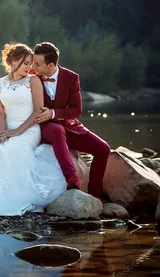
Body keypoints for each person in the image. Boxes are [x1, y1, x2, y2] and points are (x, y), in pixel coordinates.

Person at [0, 43, 66, 215]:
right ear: (13, 62)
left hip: (29, 129)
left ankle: (12, 200)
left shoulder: (33, 81)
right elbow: (0, 112)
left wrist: (17, 132)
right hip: (7, 128)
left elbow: (38, 111)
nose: (29, 67)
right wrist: (2, 132)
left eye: (31, 63)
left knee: (12, 150)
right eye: (26, 63)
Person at [33, 41, 111, 200]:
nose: (33, 67)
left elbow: (76, 110)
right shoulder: (32, 78)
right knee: (57, 130)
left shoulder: (71, 78)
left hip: (68, 127)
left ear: (51, 65)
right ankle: (72, 179)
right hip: (44, 128)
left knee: (103, 149)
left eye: (37, 64)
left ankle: (95, 194)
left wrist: (53, 113)